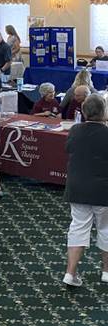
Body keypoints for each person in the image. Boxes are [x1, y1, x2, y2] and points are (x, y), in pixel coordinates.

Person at [62, 94, 108, 287]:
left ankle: (70, 274)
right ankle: (106, 271)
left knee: (78, 228)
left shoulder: (75, 130)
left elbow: (69, 149)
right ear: (104, 112)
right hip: (103, 190)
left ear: (83, 111)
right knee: (106, 229)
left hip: (78, 187)